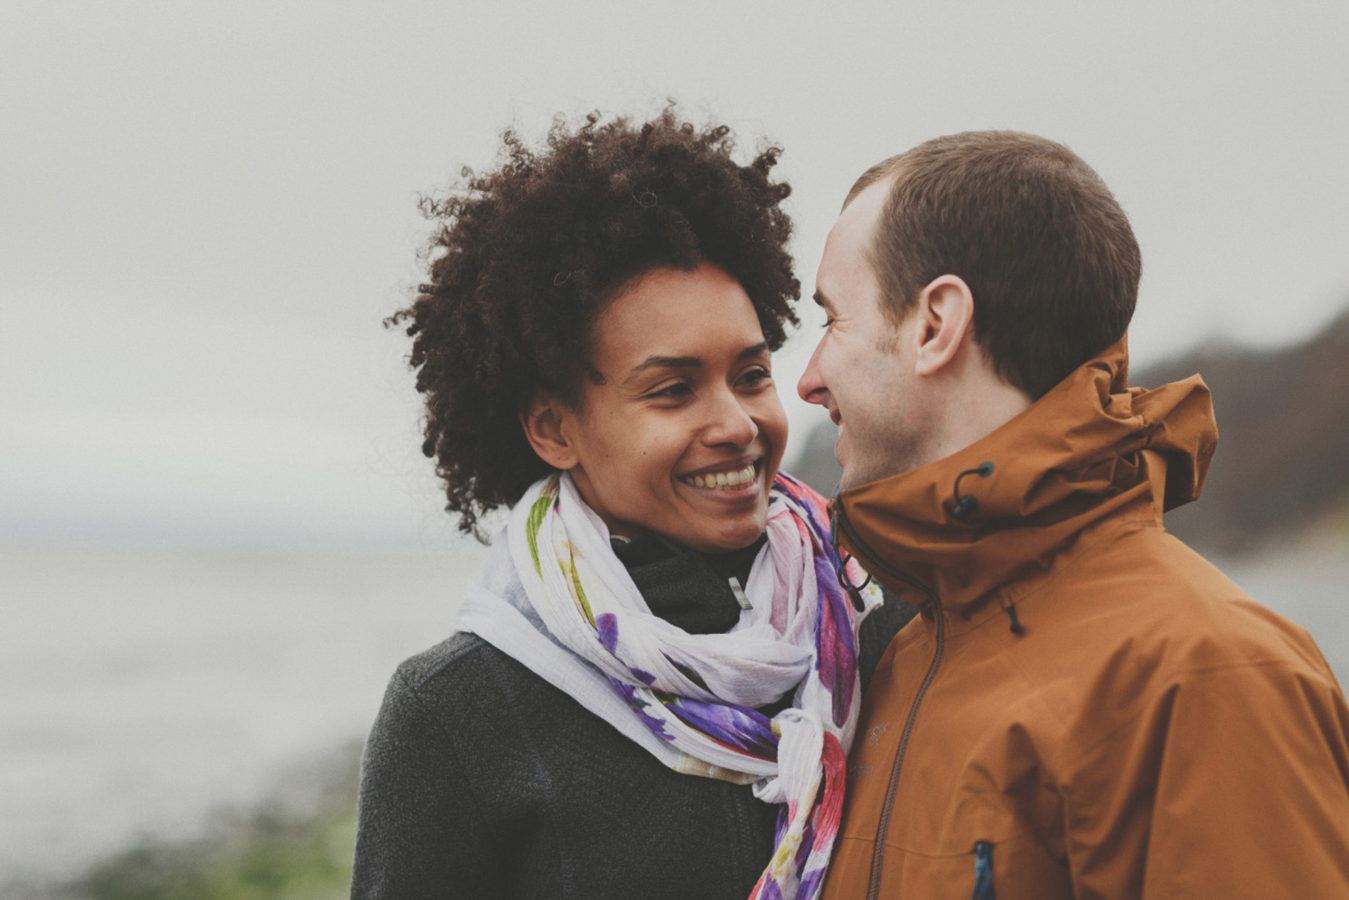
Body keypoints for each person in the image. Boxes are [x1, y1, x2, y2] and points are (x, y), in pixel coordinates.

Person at [350, 109, 904, 900]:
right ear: (553, 428)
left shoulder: (884, 628)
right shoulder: (458, 711)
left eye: (750, 375)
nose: (736, 424)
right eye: (673, 390)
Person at [796, 131, 1349, 898]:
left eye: (831, 320)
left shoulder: (1206, 676)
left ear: (934, 325)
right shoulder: (897, 660)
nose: (808, 380)